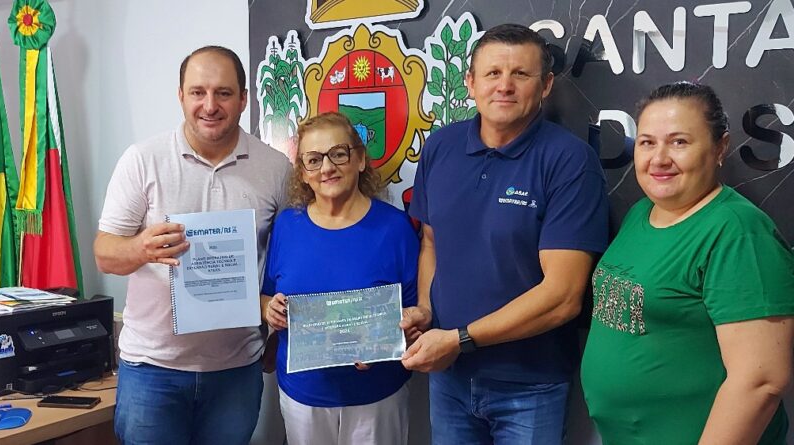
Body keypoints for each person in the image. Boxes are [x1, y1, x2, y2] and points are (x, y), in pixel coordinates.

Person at [401, 24, 609, 444]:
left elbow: (563, 297)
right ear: (470, 82)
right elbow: (432, 243)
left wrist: (460, 339)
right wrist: (425, 308)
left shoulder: (570, 161)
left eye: (521, 74)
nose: (505, 86)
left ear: (545, 85)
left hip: (529, 385)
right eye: (493, 73)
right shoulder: (440, 147)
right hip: (449, 377)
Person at [94, 46, 290, 444]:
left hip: (236, 369)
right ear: (181, 96)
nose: (210, 105)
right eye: (198, 92)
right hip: (153, 369)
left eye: (223, 93)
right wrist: (141, 248)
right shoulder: (143, 160)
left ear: (243, 99)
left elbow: (288, 258)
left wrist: (276, 330)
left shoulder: (275, 168)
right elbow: (104, 254)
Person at [580, 82, 794, 444]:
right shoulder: (641, 213)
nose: (659, 158)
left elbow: (761, 382)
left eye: (679, 142)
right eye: (647, 142)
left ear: (720, 147)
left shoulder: (738, 232)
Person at [263, 112, 418, 445]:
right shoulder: (287, 225)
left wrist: (385, 342)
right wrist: (269, 309)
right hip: (303, 394)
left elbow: (417, 314)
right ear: (303, 173)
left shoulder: (394, 228)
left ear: (360, 160)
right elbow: (268, 295)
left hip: (377, 394)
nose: (327, 168)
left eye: (338, 154)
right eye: (314, 160)